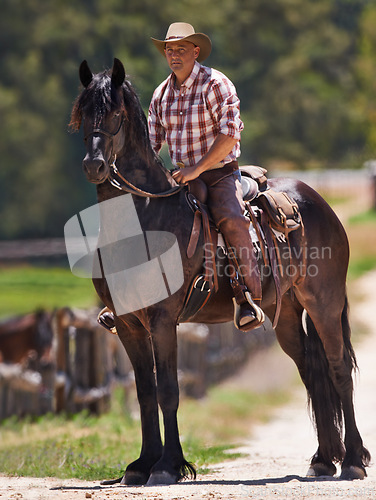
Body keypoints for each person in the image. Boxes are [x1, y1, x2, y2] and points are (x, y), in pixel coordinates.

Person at [148, 22, 265, 331]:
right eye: (169, 50)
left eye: (181, 49)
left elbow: (229, 135)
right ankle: (124, 296)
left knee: (229, 216)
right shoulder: (160, 95)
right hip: (180, 178)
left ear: (195, 51)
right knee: (142, 216)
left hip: (218, 174)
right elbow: (151, 143)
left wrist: (196, 170)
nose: (174, 55)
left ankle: (248, 296)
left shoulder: (216, 84)